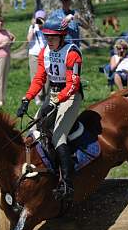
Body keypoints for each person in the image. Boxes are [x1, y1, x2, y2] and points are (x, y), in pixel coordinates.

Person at [15, 17, 83, 202]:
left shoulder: (72, 53)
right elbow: (39, 79)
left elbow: (73, 85)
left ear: (62, 36)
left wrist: (57, 100)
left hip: (71, 96)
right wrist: (26, 99)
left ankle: (68, 185)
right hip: (53, 93)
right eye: (46, 37)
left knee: (58, 136)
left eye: (52, 37)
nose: (49, 40)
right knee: (34, 130)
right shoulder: (44, 51)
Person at [27, 10, 48, 104]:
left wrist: (44, 26)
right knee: (35, 76)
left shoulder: (47, 28)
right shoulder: (32, 27)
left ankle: (46, 95)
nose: (40, 21)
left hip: (46, 55)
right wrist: (33, 26)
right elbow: (28, 39)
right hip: (34, 54)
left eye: (42, 19)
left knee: (46, 76)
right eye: (38, 19)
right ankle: (37, 97)